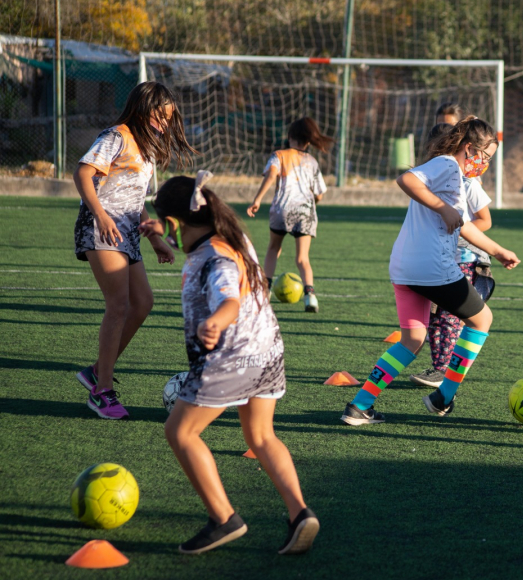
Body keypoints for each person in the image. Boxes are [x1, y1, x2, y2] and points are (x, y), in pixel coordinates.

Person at [139, 173, 319, 554]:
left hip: (229, 356)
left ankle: (224, 519)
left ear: (178, 221)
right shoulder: (231, 237)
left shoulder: (215, 259)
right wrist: (160, 233)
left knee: (180, 433)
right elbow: (192, 243)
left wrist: (216, 321)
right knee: (262, 437)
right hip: (267, 352)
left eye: (168, 225)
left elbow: (229, 298)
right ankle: (300, 513)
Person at [340, 117, 520, 425]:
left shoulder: (455, 178)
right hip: (431, 266)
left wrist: (498, 250)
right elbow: (407, 180)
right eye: (485, 157)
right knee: (482, 319)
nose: (486, 164)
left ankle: (360, 406)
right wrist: (443, 208)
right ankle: (444, 396)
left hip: (404, 266)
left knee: (412, 339)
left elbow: (463, 226)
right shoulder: (447, 165)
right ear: (469, 149)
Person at [73, 81, 195, 419]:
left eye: (168, 118)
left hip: (128, 231)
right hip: (101, 228)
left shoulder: (148, 147)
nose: (164, 123)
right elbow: (82, 173)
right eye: (160, 116)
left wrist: (154, 236)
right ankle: (102, 391)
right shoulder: (117, 136)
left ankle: (98, 370)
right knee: (119, 304)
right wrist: (100, 215)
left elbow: (135, 196)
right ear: (143, 109)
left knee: (143, 302)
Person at [410, 123, 496, 388]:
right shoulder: (437, 179)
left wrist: (459, 233)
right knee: (436, 318)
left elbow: (483, 221)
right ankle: (439, 368)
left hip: (464, 258)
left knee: (450, 317)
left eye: (489, 158)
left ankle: (445, 372)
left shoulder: (467, 183)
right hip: (437, 259)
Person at [247, 118, 333, 313]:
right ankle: (310, 297)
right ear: (309, 141)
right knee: (302, 258)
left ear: (289, 137)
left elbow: (271, 175)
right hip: (305, 212)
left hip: (281, 210)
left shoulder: (279, 155)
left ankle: (265, 292)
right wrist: (312, 204)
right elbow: (319, 193)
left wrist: (257, 199)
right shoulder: (312, 161)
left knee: (273, 248)